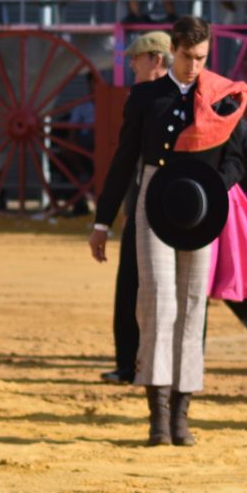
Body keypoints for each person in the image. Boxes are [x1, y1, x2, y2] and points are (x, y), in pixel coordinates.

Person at [90, 16, 247, 447]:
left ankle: (181, 415)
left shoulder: (220, 96)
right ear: (173, 51)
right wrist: (101, 221)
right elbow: (125, 158)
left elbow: (240, 159)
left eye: (201, 59)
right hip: (154, 198)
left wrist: (213, 189)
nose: (194, 67)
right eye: (188, 58)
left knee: (190, 308)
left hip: (202, 208)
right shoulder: (148, 96)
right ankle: (157, 416)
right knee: (158, 303)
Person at [94, 32, 172, 384]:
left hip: (163, 203)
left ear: (155, 59)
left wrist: (102, 222)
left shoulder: (144, 97)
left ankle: (135, 363)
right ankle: (133, 363)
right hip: (152, 202)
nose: (131, 64)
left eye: (136, 58)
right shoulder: (145, 95)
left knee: (138, 285)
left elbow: (125, 161)